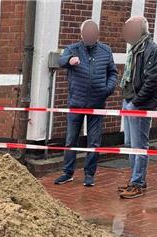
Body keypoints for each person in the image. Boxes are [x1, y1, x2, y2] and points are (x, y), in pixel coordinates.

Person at [54, 20, 117, 187]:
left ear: (97, 35)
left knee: (94, 142)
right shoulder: (72, 49)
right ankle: (67, 173)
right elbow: (60, 61)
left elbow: (113, 73)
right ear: (81, 35)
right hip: (76, 103)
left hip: (97, 104)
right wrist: (69, 60)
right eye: (86, 33)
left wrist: (107, 89)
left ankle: (89, 174)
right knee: (70, 140)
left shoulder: (106, 50)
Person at [118, 15, 157, 199]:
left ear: (140, 30)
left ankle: (137, 183)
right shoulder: (135, 49)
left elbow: (152, 80)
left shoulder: (151, 50)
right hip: (130, 99)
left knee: (139, 145)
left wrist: (137, 102)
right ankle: (135, 179)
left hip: (139, 103)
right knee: (130, 144)